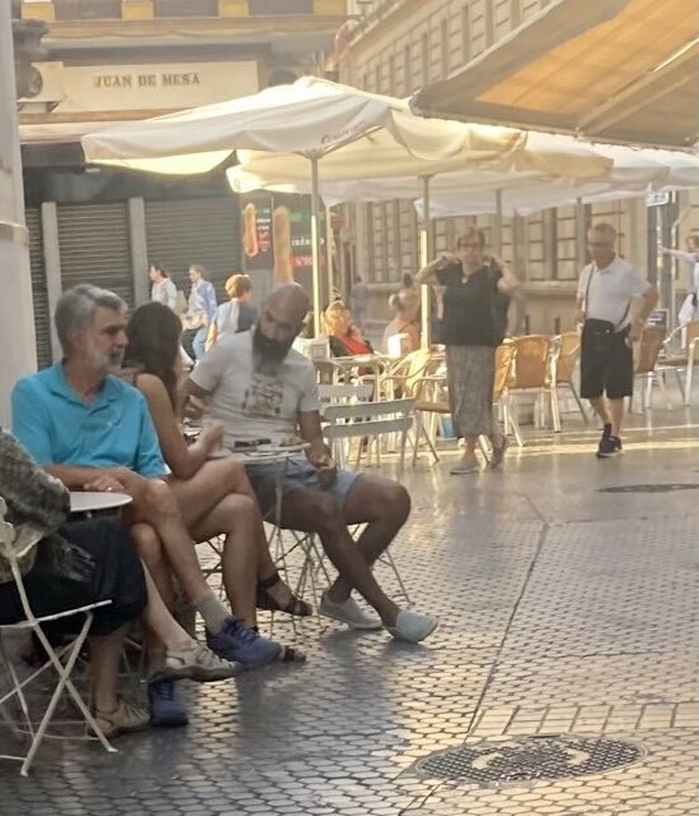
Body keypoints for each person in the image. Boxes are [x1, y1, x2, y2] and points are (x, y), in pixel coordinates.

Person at [0, 320, 223, 734]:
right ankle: (119, 694)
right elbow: (52, 502)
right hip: (14, 591)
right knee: (116, 546)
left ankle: (173, 648)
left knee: (112, 549)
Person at [11, 285, 296, 686]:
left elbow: (154, 472)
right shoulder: (34, 393)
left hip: (134, 512)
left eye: (123, 331)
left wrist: (130, 482)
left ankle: (195, 651)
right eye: (111, 332)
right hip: (76, 528)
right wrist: (103, 478)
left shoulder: (130, 399)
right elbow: (38, 469)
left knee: (234, 509)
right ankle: (216, 622)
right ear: (77, 338)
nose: (123, 341)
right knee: (194, 497)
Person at [182, 284, 439, 643]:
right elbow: (181, 397)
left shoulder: (301, 368)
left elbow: (312, 436)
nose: (272, 331)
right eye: (268, 320)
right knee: (324, 508)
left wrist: (322, 457)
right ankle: (389, 613)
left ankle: (338, 595)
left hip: (291, 466)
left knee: (394, 498)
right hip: (241, 471)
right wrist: (189, 407)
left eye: (284, 326)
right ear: (262, 310)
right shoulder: (227, 350)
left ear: (298, 329)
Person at [121, 302, 312, 623]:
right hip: (147, 499)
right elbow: (180, 463)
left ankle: (246, 628)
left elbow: (161, 444)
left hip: (153, 494)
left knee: (241, 508)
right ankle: (267, 579)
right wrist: (209, 438)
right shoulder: (147, 384)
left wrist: (181, 413)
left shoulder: (137, 381)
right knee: (233, 468)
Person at [415, 228, 520, 474]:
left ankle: (470, 454)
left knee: (473, 396)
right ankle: (497, 439)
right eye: (465, 246)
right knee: (460, 398)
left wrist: (502, 263)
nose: (471, 251)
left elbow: (512, 285)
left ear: (482, 250)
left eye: (475, 246)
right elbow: (420, 278)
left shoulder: (489, 276)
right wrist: (439, 261)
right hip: (454, 343)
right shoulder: (451, 274)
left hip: (479, 344)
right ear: (459, 249)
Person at [578, 222, 658, 458]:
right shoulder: (587, 271)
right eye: (591, 244)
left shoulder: (625, 272)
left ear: (612, 245)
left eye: (599, 244)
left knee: (616, 388)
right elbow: (580, 297)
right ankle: (607, 423)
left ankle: (614, 435)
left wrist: (639, 322)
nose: (594, 249)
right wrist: (578, 310)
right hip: (591, 333)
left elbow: (651, 294)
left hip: (615, 334)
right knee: (590, 389)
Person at [659, 233, 699, 330]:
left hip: (694, 293)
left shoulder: (695, 257)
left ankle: (686, 342)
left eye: (691, 244)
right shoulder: (694, 258)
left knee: (683, 316)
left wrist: (668, 251)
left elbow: (683, 255)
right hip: (694, 293)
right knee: (690, 318)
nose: (688, 246)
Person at [206, 274, 255, 351]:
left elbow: (211, 339)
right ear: (246, 291)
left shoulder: (219, 310)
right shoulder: (252, 311)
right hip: (242, 356)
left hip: (221, 354)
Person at [182, 265, 218, 361]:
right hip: (196, 318)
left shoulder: (207, 286)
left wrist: (212, 321)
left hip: (205, 319)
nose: (190, 277)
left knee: (197, 343)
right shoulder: (194, 287)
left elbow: (212, 304)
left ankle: (203, 365)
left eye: (192, 274)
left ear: (199, 274)